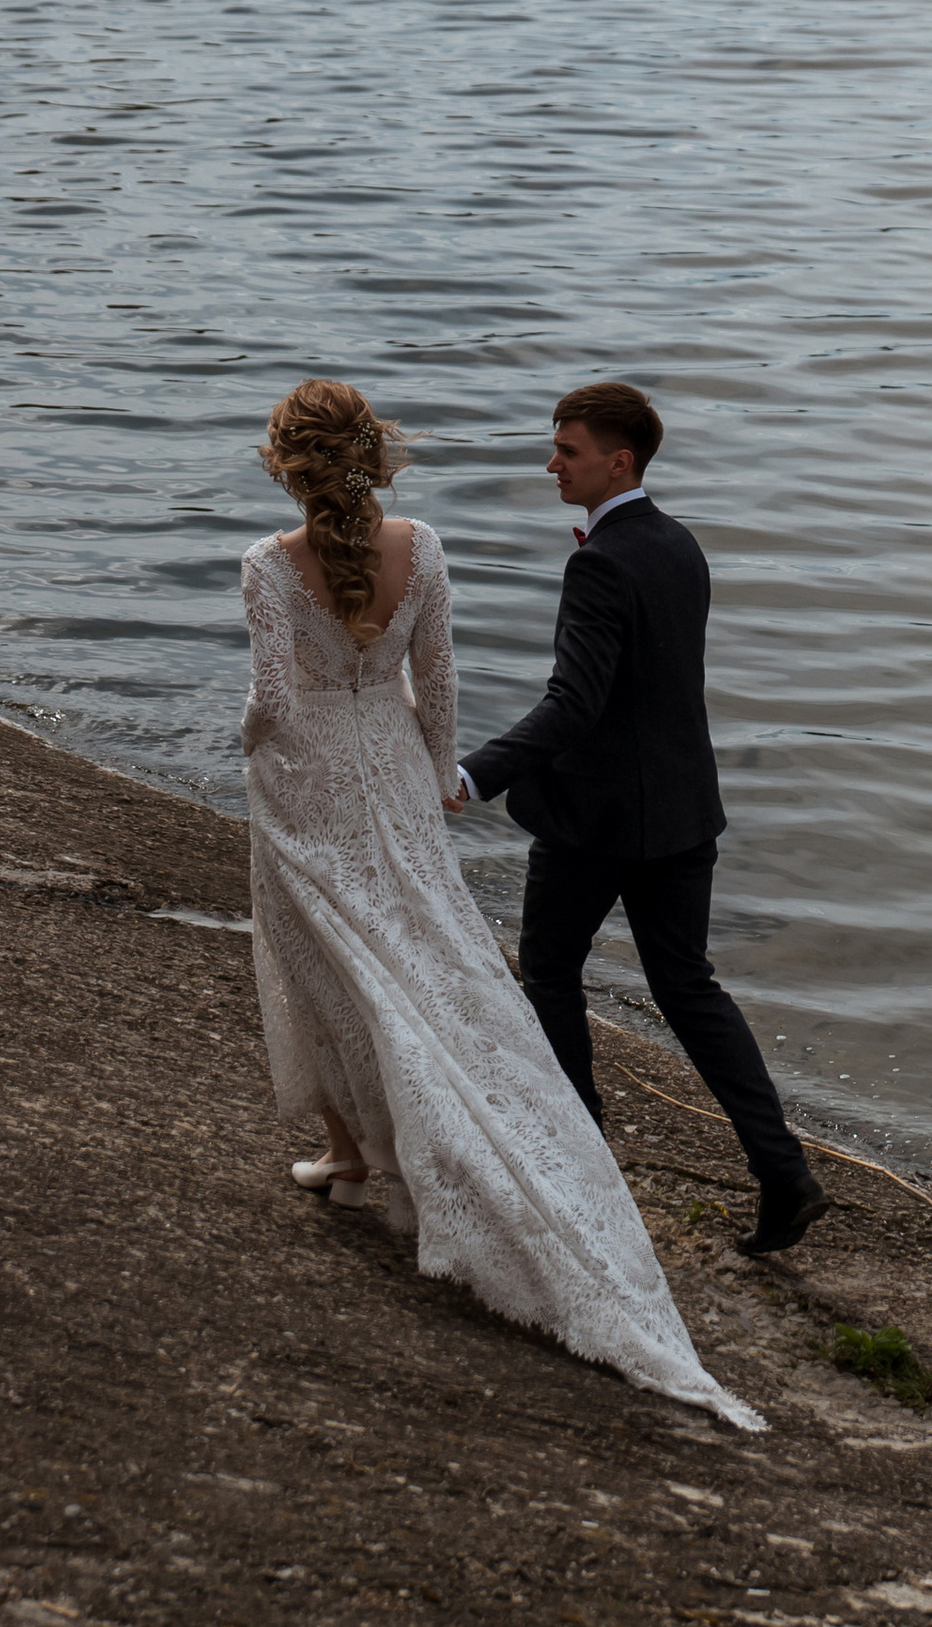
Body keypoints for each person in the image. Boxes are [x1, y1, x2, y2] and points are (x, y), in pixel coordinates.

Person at [236, 376, 761, 1431]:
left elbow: (273, 702)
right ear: (373, 455)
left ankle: (354, 1152)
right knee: (427, 956)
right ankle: (360, 1157)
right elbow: (439, 680)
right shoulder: (423, 546)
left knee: (322, 956)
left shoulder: (267, 564)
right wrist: (443, 777)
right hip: (397, 768)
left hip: (305, 780)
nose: (552, 461)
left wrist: (248, 743)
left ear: (288, 466)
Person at [457, 380, 829, 1261]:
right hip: (683, 813)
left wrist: (474, 773)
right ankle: (785, 1174)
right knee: (689, 987)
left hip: (597, 821)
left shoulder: (600, 562)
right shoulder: (679, 543)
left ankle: (579, 1160)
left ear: (618, 462)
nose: (552, 464)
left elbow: (574, 702)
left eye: (568, 451)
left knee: (551, 971)